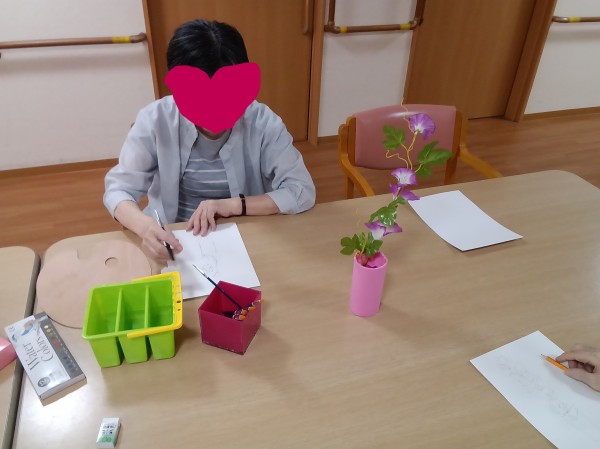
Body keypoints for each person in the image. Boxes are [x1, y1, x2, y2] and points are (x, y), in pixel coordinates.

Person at [104, 19, 316, 262]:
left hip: (248, 237)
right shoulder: (156, 120)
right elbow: (118, 189)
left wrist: (231, 205)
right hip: (173, 239)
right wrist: (145, 227)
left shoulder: (262, 122)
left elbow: (301, 190)